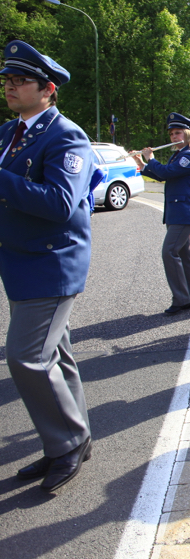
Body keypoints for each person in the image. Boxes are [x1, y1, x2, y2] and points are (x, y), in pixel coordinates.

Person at [0, 40, 94, 491]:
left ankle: (67, 443)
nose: (10, 87)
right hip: (20, 262)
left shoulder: (66, 136)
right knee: (56, 354)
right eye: (7, 80)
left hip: (51, 265)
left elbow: (59, 203)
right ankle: (74, 437)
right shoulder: (9, 133)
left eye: (20, 80)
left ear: (48, 88)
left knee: (26, 357)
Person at [135, 113, 190, 314]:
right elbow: (163, 174)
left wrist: (151, 158)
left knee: (169, 252)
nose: (174, 137)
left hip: (184, 212)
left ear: (188, 134)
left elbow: (166, 172)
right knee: (184, 254)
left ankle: (181, 299)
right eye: (172, 133)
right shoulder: (179, 154)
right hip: (177, 212)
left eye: (178, 133)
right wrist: (142, 163)